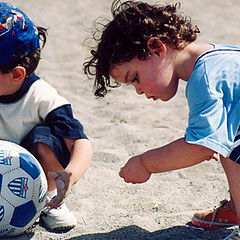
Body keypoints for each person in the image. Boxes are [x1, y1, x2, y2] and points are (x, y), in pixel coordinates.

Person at [84, 0, 240, 239]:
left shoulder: (205, 78)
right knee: (227, 141)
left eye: (135, 78)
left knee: (225, 146)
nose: (138, 90)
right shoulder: (217, 56)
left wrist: (145, 163)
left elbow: (198, 147)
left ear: (157, 48)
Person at [0, 2, 92, 232]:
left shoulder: (42, 97)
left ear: (17, 74)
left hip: (32, 171)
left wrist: (69, 175)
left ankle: (50, 202)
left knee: (43, 138)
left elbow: (81, 143)